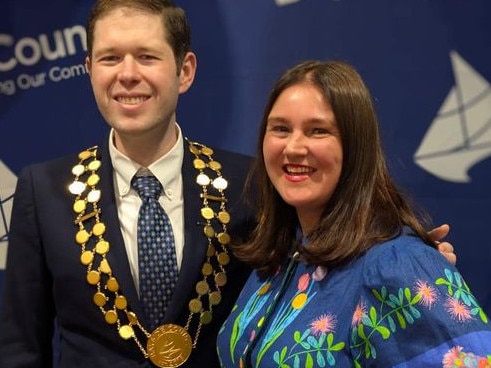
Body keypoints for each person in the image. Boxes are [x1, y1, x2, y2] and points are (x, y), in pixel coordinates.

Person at [0, 1, 455, 368]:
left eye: (147, 56)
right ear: (89, 69)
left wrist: (410, 266)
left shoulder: (253, 182)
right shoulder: (44, 190)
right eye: (110, 57)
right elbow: (21, 347)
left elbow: (328, 255)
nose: (127, 73)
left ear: (185, 70)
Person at [216, 60, 491, 367]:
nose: (293, 147)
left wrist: (416, 267)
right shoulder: (281, 254)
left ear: (355, 146)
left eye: (317, 131)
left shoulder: (398, 265)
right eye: (280, 128)